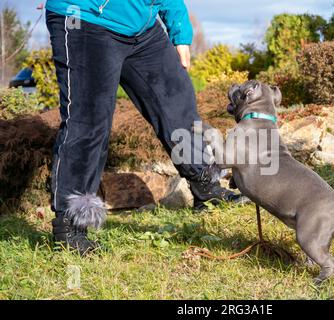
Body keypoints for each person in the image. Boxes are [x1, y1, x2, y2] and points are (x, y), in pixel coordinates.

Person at [45, 0, 246, 255]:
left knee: (175, 102)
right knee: (89, 121)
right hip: (86, 19)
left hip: (142, 26)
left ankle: (205, 185)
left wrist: (180, 31)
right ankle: (71, 225)